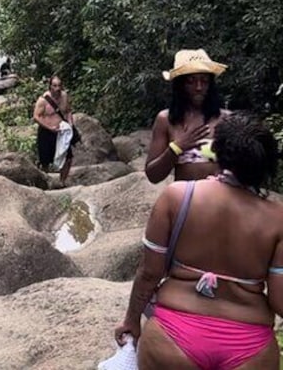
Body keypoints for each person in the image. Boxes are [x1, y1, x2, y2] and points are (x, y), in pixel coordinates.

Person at [113, 113, 283, 369]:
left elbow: (149, 273)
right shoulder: (277, 217)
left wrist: (131, 320)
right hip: (249, 345)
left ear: (216, 151)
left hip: (173, 335)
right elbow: (279, 300)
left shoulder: (177, 196)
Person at [145, 49, 229, 184]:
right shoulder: (166, 120)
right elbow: (153, 176)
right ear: (180, 85)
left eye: (205, 81)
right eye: (191, 81)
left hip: (220, 200)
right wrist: (176, 148)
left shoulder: (226, 119)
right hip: (185, 200)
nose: (199, 87)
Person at [33, 75, 74, 184]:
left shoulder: (64, 96)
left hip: (61, 132)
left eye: (59, 85)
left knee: (68, 158)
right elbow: (36, 116)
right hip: (46, 132)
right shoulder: (43, 100)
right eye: (55, 86)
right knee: (45, 161)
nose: (57, 88)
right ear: (50, 86)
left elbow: (68, 111)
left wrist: (70, 124)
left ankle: (62, 182)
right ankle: (45, 183)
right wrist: (50, 127)